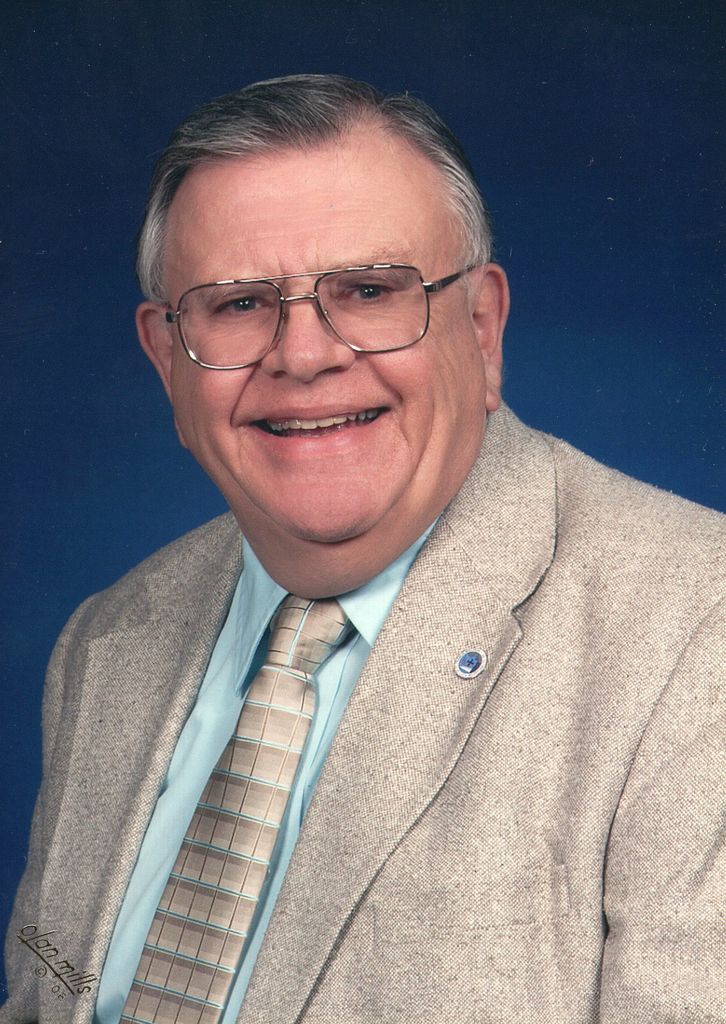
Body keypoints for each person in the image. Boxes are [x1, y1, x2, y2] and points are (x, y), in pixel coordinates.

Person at [2, 74, 723, 1024]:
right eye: (239, 304)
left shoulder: (696, 632)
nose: (304, 356)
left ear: (482, 329)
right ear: (167, 359)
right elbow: (48, 989)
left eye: (370, 291)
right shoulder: (106, 640)